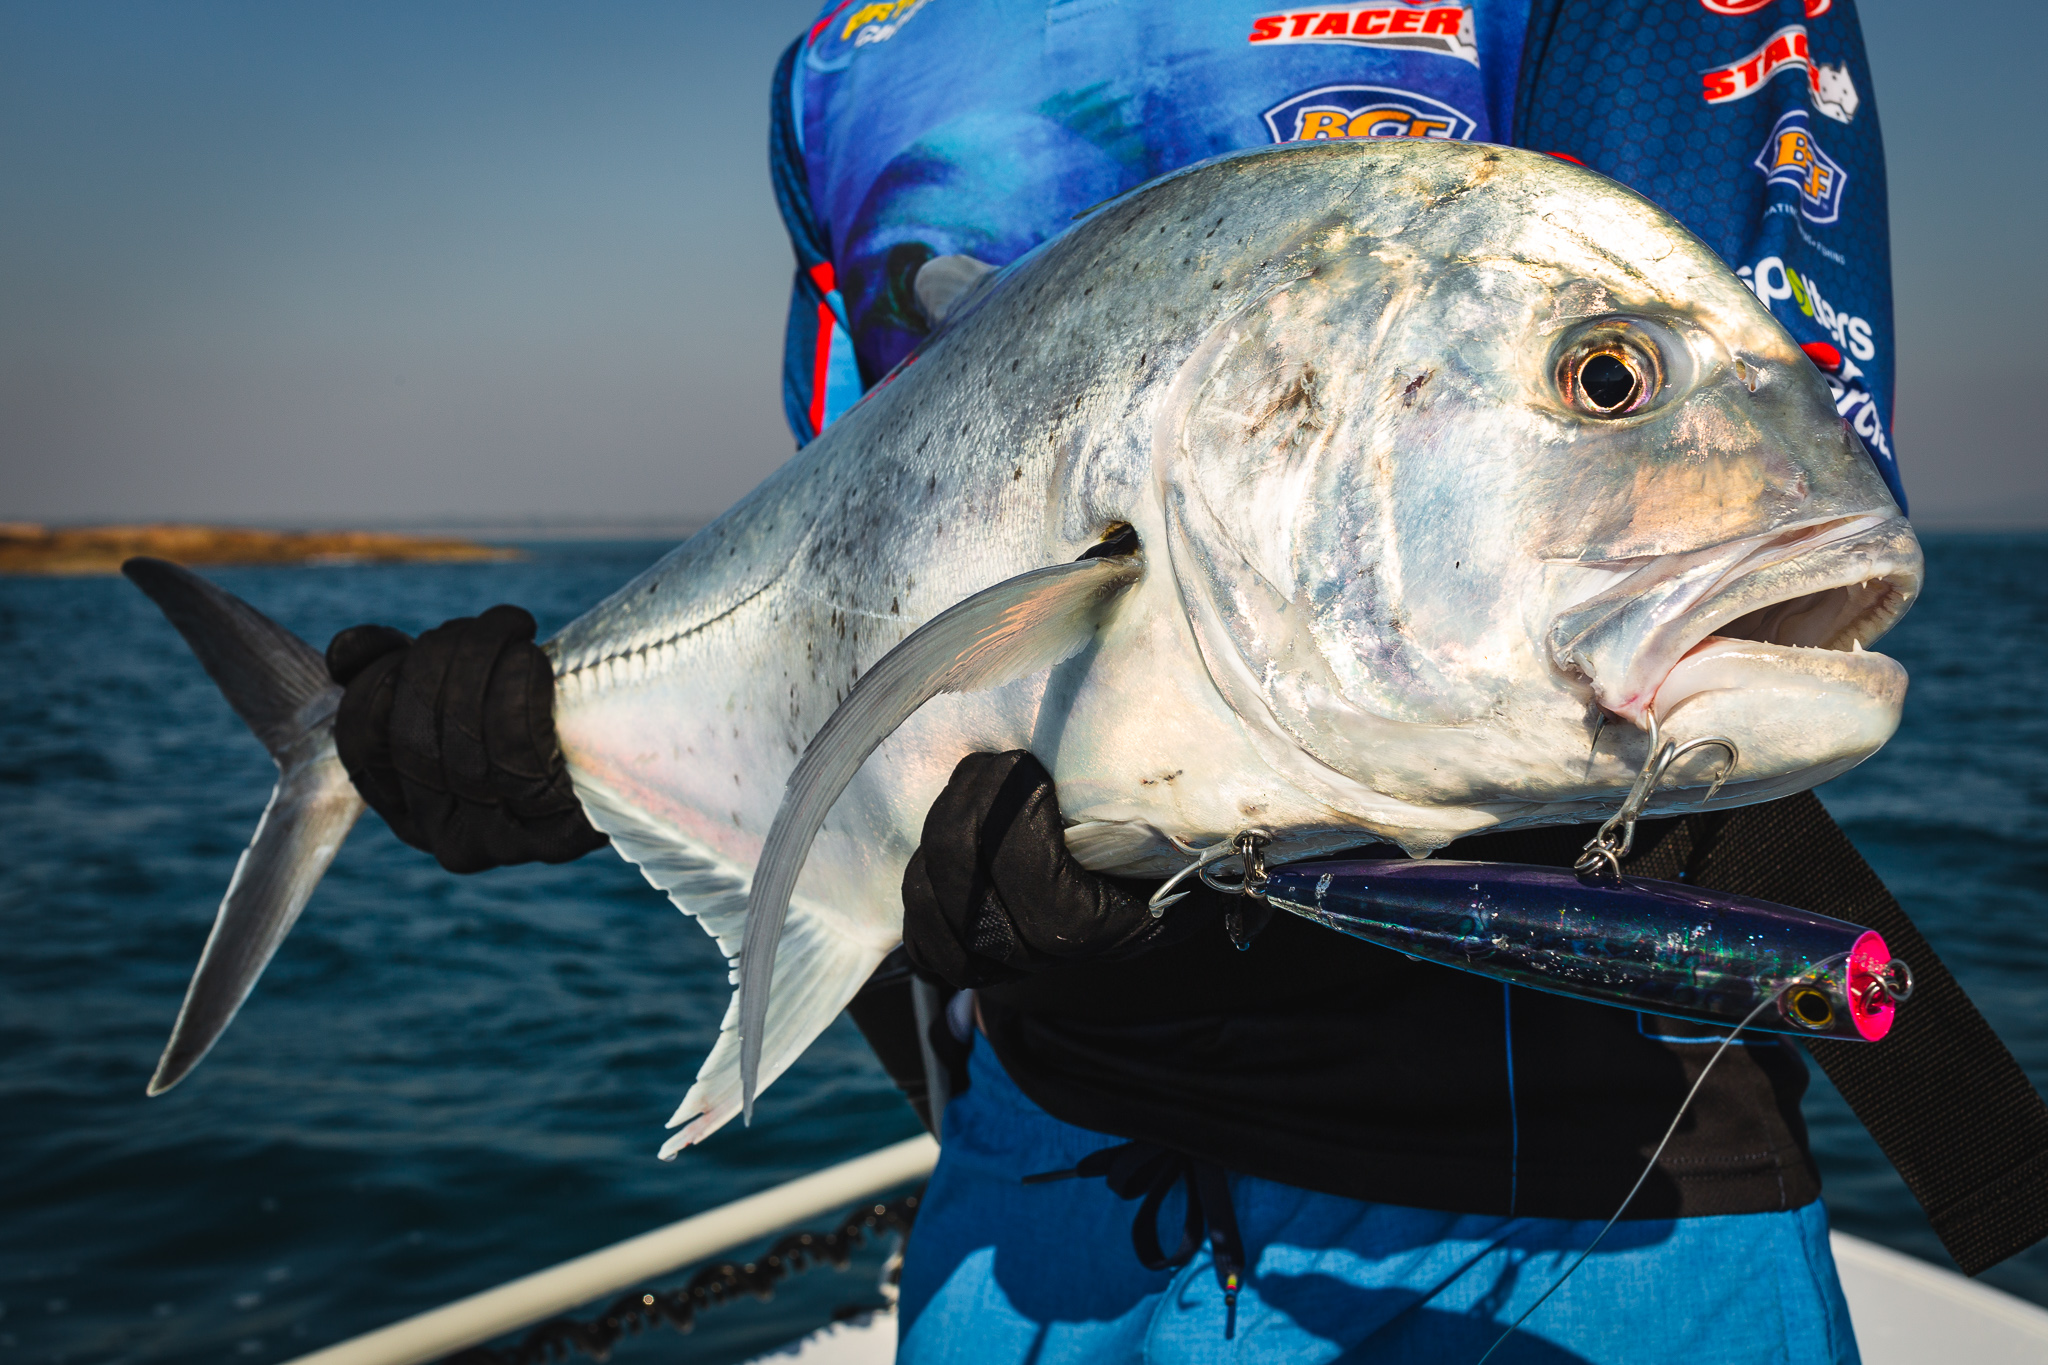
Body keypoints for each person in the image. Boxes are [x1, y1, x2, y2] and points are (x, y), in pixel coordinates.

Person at [320, 3, 2047, 1361]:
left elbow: (1762, 445)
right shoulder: (848, 61)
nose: (1614, 391)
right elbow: (851, 534)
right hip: (1045, 1187)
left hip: (1588, 1206)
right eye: (1602, 381)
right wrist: (563, 745)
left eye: (1605, 380)